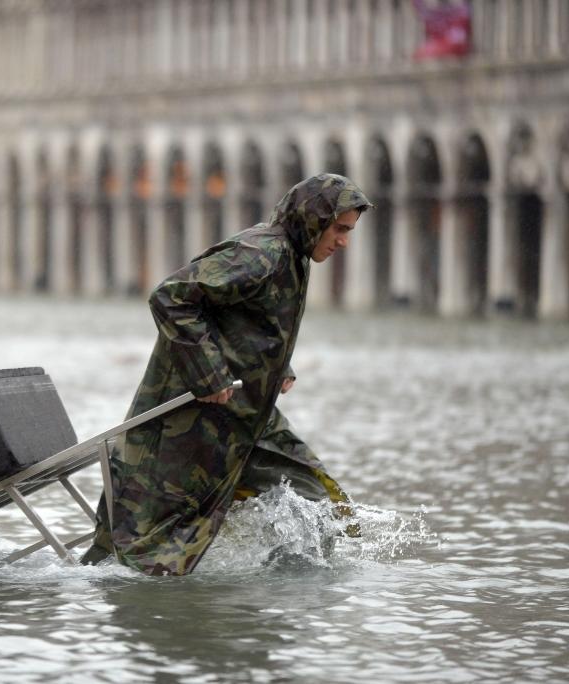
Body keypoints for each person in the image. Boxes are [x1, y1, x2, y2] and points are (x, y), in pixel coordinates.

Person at [81, 173, 372, 576]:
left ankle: (280, 594)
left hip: (248, 419)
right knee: (145, 550)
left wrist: (276, 366)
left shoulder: (294, 257)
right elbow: (172, 296)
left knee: (319, 501)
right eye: (339, 229)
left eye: (348, 231)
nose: (343, 242)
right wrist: (210, 373)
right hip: (192, 423)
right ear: (313, 219)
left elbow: (246, 320)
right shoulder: (261, 253)